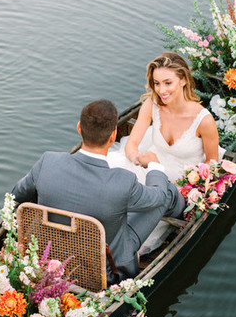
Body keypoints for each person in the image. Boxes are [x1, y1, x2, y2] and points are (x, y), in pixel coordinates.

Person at [11, 99, 185, 281]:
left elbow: (16, 195)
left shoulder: (48, 162)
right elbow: (157, 197)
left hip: (49, 256)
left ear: (79, 128)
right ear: (113, 136)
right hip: (108, 273)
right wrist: (154, 166)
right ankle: (183, 215)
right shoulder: (122, 181)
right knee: (167, 192)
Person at [107, 52, 220, 184]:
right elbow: (131, 145)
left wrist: (189, 188)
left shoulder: (204, 121)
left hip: (181, 183)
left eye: (168, 83)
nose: (161, 90)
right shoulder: (152, 104)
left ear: (183, 80)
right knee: (110, 165)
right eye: (157, 83)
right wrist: (137, 158)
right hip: (149, 170)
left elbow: (212, 164)